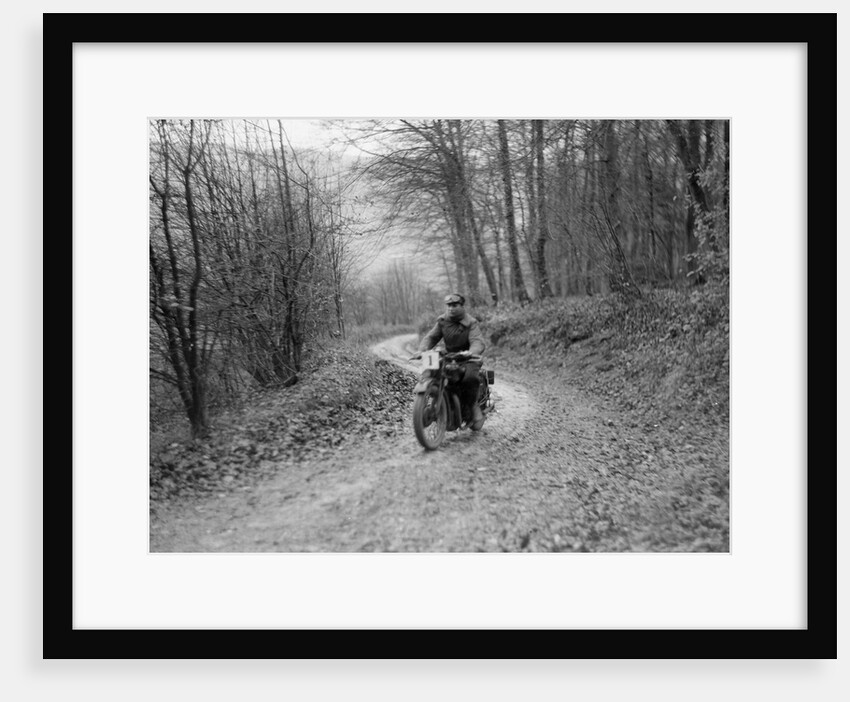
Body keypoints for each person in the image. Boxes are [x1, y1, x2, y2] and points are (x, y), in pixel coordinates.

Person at [418, 292, 486, 431]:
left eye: (455, 305)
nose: (451, 308)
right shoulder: (442, 321)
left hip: (468, 359)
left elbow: (477, 341)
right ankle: (440, 403)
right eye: (449, 305)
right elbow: (431, 337)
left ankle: (470, 409)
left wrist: (471, 352)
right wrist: (423, 350)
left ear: (462, 306)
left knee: (469, 379)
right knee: (433, 374)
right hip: (449, 357)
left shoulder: (471, 323)